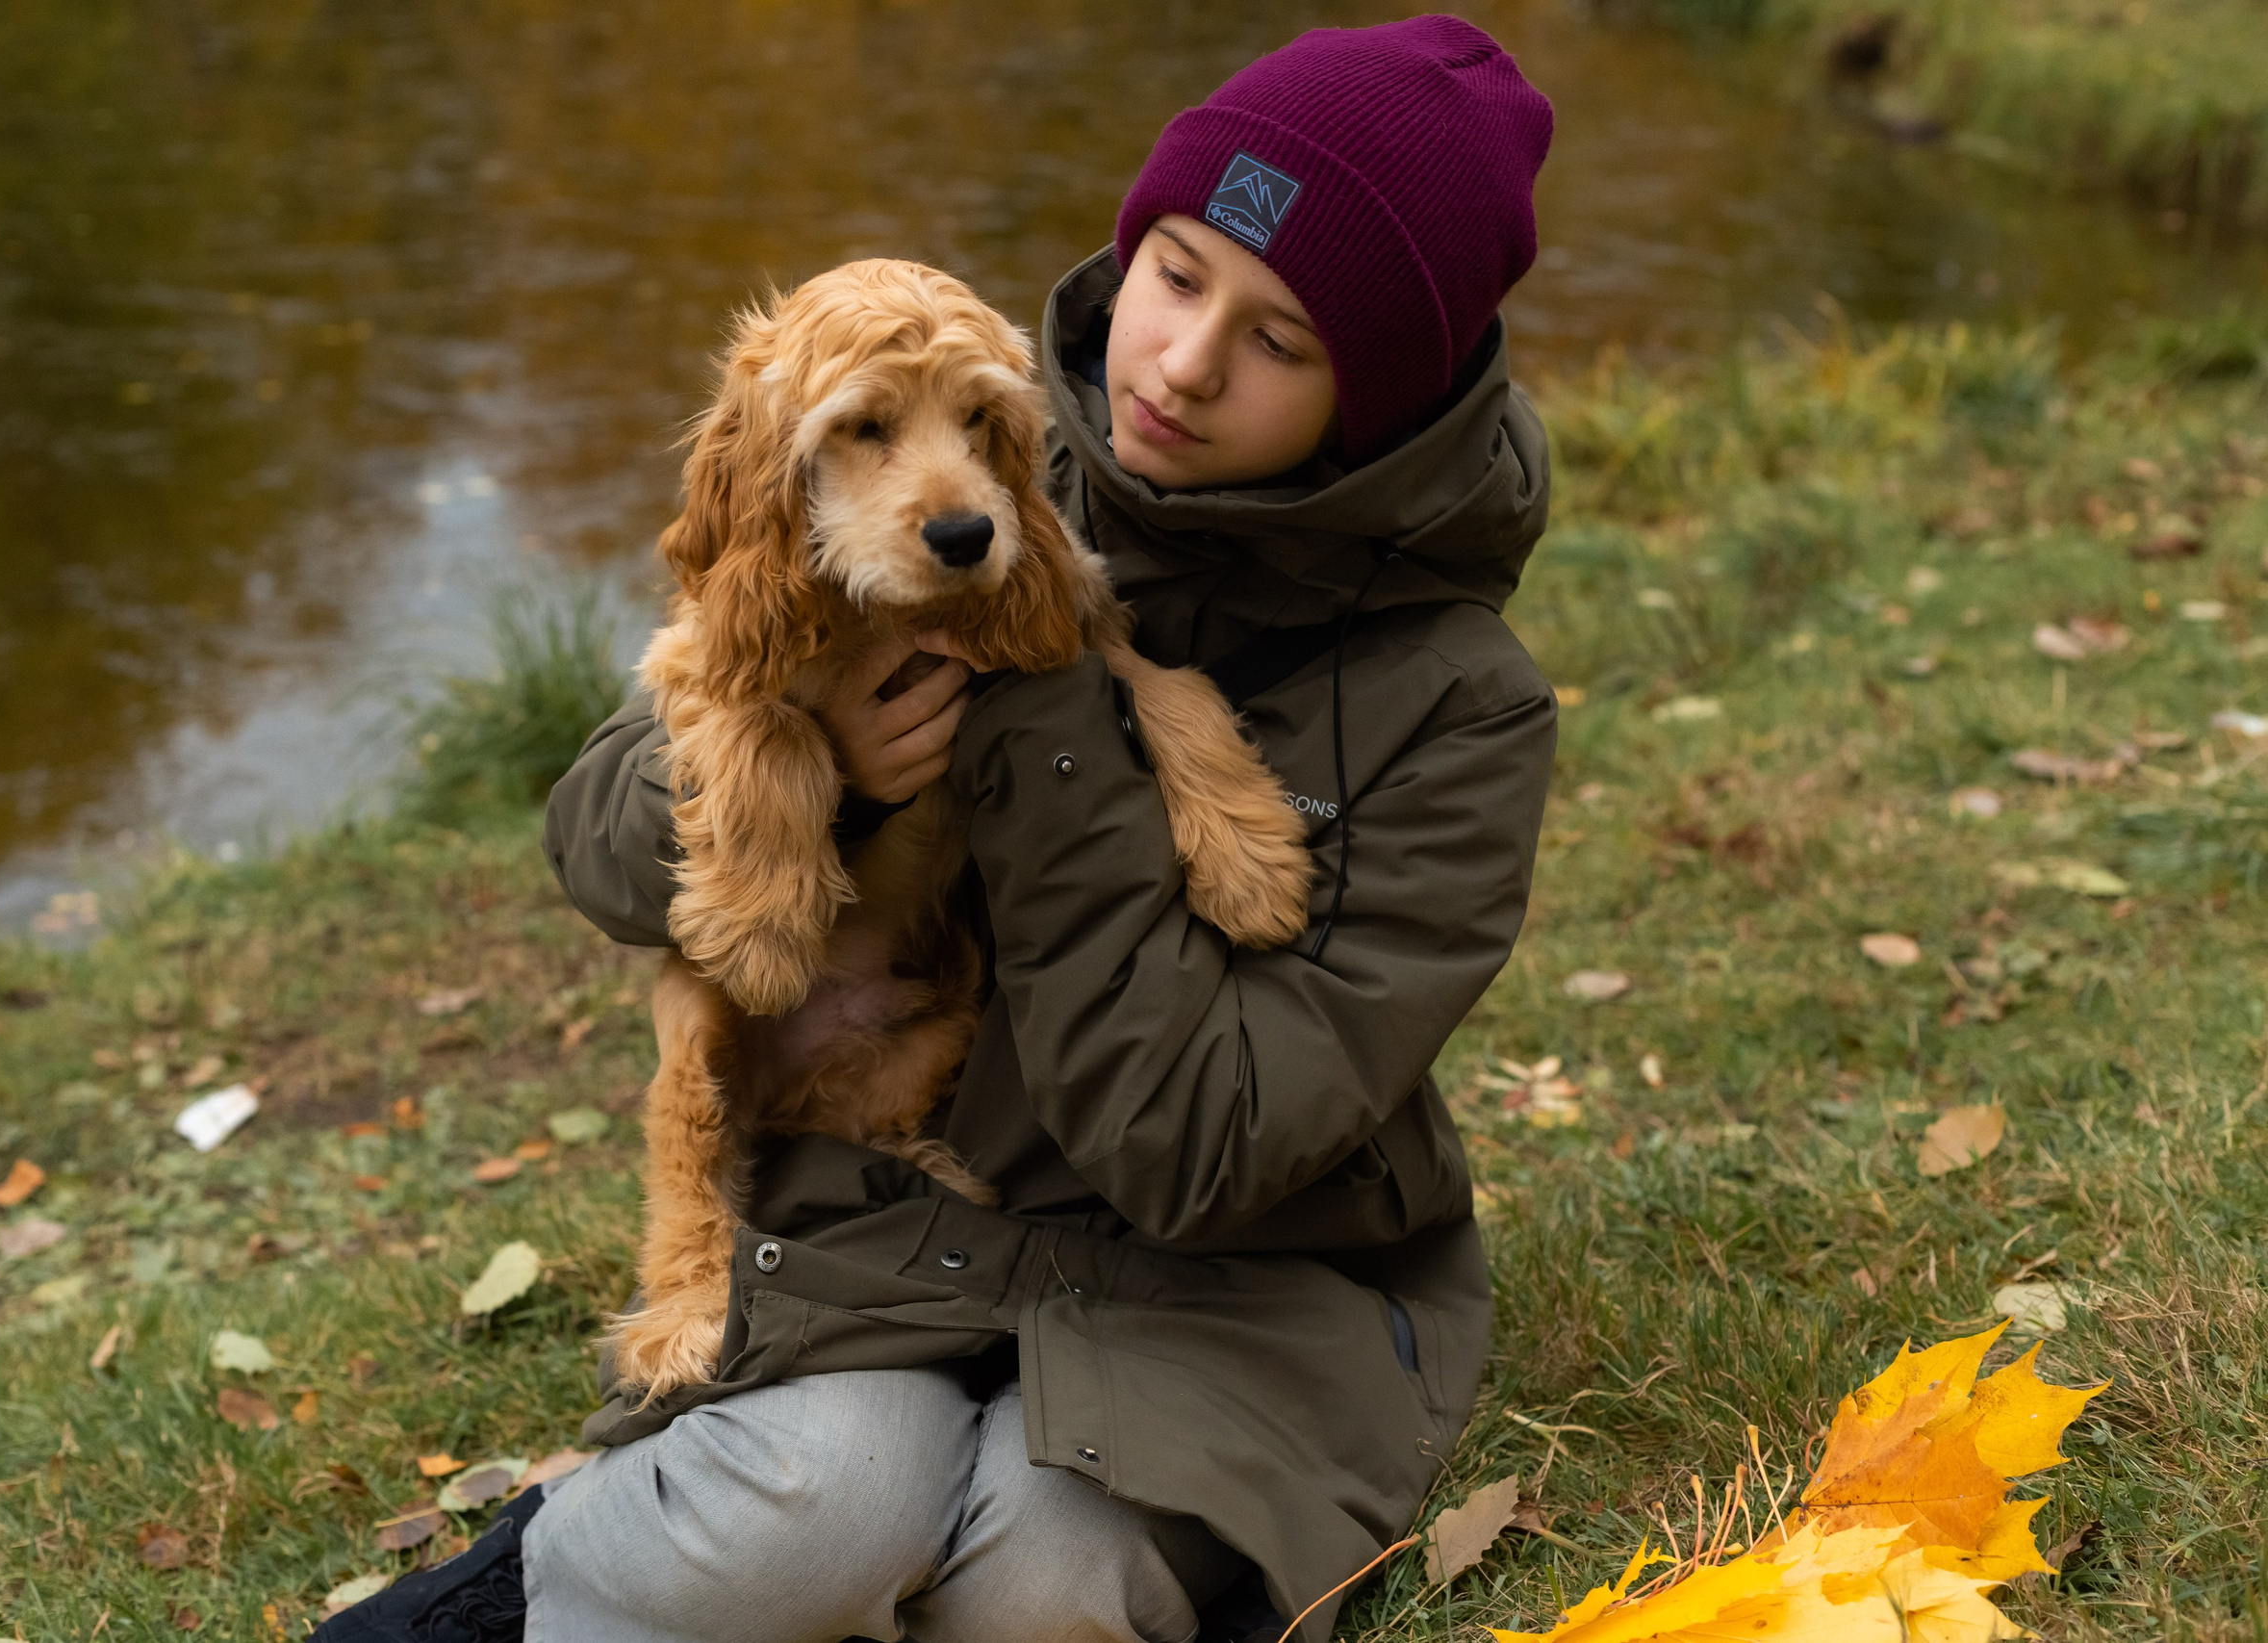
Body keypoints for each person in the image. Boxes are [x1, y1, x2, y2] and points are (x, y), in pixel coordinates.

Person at [318, 14, 1555, 1643]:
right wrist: (827, 765)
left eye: (1283, 343)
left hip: (1240, 1284)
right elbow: (606, 854)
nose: (1179, 366)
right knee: (825, 1507)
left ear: (1376, 396)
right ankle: (519, 1593)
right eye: (1178, 277)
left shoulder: (1455, 704)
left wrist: (1039, 709)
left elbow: (1199, 1150)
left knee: (1043, 1585)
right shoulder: (952, 414)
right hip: (898, 1223)